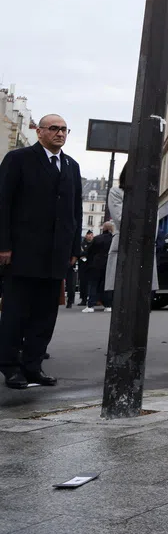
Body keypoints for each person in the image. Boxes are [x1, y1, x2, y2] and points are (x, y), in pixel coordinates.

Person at [0, 113, 82, 389]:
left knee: (45, 315)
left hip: (56, 255)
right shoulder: (19, 159)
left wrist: (73, 248)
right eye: (54, 128)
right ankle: (10, 366)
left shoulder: (71, 166)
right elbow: (3, 204)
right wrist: (4, 246)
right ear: (39, 132)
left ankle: (33, 365)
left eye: (64, 129)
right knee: (15, 312)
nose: (60, 133)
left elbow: (75, 212)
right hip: (23, 252)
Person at [104, 160, 159, 312]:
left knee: (143, 304)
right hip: (125, 247)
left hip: (145, 250)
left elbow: (154, 222)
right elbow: (121, 219)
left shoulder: (151, 193)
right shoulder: (116, 192)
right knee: (122, 302)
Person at [82, 222, 114, 312]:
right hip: (108, 264)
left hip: (96, 264)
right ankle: (108, 305)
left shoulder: (97, 239)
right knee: (106, 285)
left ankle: (91, 305)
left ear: (103, 228)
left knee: (93, 284)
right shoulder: (113, 239)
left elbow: (89, 251)